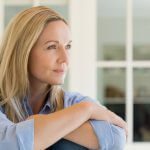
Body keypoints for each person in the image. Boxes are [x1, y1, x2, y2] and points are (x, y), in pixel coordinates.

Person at [0, 6, 127, 150]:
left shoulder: (74, 102)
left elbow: (116, 138)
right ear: (23, 52)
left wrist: (40, 122)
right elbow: (9, 144)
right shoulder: (81, 108)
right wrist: (85, 111)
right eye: (52, 47)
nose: (65, 59)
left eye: (68, 46)